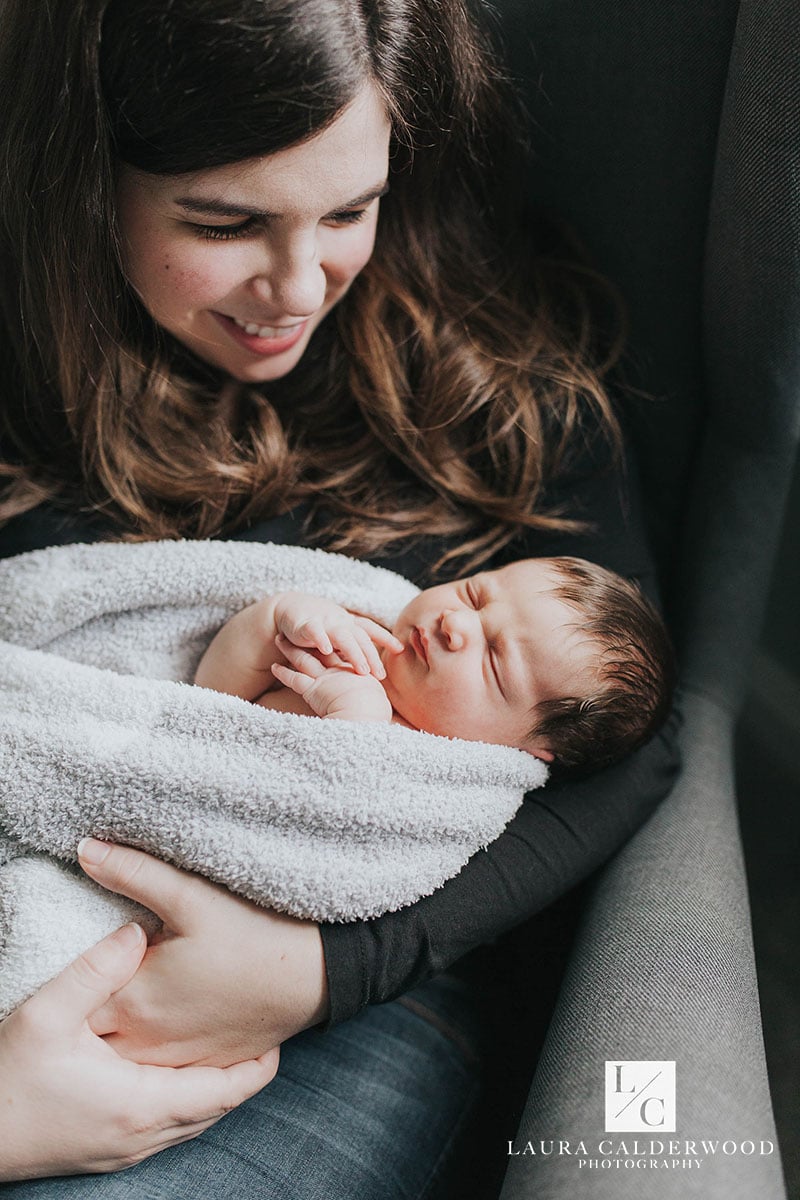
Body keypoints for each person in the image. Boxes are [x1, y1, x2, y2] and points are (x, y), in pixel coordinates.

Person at [0, 0, 680, 1192]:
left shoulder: (492, 371)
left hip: (349, 1000)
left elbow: (634, 742)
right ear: (80, 179)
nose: (297, 285)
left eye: (349, 210)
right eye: (222, 222)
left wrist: (318, 968)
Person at [195, 555, 674, 772]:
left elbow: (322, 828)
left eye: (494, 656)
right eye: (475, 593)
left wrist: (353, 726)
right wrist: (277, 616)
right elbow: (206, 700)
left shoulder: (439, 779)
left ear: (531, 747)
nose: (455, 623)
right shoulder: (352, 631)